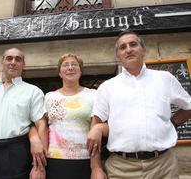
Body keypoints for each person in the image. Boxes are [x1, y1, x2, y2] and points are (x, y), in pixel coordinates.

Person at [88, 31, 191, 179]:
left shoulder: (165, 79)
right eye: (122, 47)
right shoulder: (107, 87)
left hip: (163, 166)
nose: (128, 49)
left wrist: (172, 124)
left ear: (143, 50)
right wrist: (96, 168)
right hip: (121, 169)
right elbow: (94, 130)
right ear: (118, 55)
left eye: (133, 44)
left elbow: (188, 107)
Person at [0, 47, 46, 179]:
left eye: (18, 59)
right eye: (9, 58)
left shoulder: (33, 91)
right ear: (2, 62)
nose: (13, 62)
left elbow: (41, 125)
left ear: (23, 65)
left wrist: (39, 167)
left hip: (13, 154)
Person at [30, 53, 106, 179]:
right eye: (65, 65)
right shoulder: (49, 97)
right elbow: (43, 128)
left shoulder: (93, 95)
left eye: (74, 64)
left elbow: (95, 131)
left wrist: (96, 167)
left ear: (80, 71)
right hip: (54, 160)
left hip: (84, 160)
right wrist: (39, 166)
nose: (70, 68)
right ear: (59, 72)